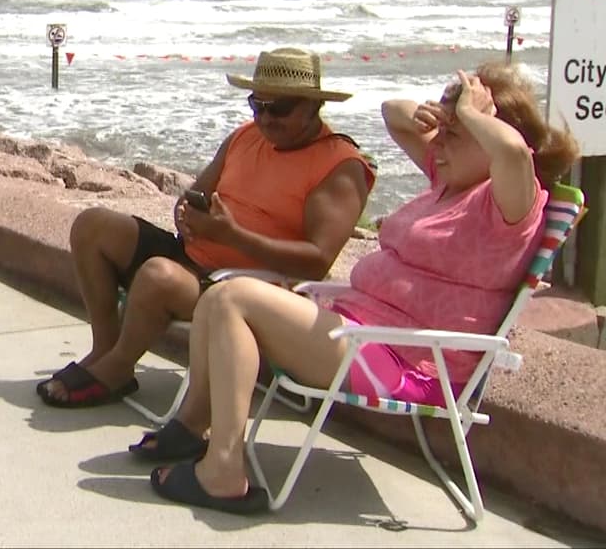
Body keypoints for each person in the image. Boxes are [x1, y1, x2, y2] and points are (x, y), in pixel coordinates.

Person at [141, 61, 580, 514]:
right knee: (217, 297)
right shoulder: (448, 183)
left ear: (491, 133)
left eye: (455, 135)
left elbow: (514, 155)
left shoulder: (509, 207)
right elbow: (393, 112)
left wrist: (474, 116)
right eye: (441, 133)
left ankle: (223, 472)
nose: (440, 144)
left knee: (232, 299)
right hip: (364, 334)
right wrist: (447, 117)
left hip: (406, 362)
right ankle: (195, 427)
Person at [37, 48, 376, 408]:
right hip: (197, 258)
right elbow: (197, 193)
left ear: (312, 106)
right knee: (93, 226)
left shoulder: (340, 165)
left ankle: (118, 368)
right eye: (257, 105)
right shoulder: (246, 136)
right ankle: (104, 351)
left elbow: (317, 261)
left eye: (279, 108)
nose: (265, 118)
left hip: (248, 286)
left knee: (158, 276)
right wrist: (186, 212)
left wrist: (231, 235)